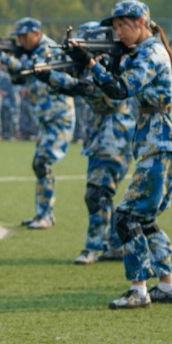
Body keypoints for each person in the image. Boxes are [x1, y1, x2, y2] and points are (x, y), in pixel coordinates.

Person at [73, 0, 172, 309]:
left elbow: (121, 89)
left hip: (160, 138)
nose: (118, 32)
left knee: (126, 218)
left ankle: (139, 289)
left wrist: (94, 66)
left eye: (123, 25)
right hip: (159, 136)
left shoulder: (151, 53)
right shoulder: (142, 52)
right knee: (146, 219)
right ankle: (166, 285)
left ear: (141, 23)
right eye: (115, 26)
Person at [60, 23, 135, 265]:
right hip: (101, 132)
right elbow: (75, 86)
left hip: (115, 132)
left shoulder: (116, 62)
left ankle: (94, 246)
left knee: (98, 193)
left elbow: (108, 95)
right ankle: (115, 244)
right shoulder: (96, 65)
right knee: (103, 193)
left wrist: (85, 75)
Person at [0, 17, 76, 230]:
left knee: (42, 163)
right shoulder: (29, 52)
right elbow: (19, 78)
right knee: (41, 165)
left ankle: (45, 215)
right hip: (46, 119)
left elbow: (27, 68)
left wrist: (3, 56)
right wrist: (10, 60)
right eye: (18, 37)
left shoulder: (46, 49)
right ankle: (43, 213)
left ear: (37, 34)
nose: (21, 41)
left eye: (24, 36)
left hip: (59, 117)